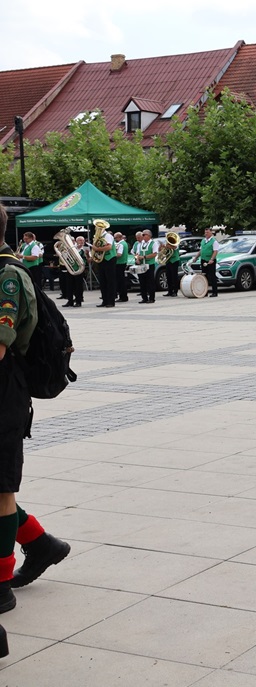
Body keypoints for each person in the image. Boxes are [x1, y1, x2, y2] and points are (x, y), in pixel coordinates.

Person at [0, 206, 72, 611]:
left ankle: (0, 585)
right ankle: (40, 544)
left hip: (4, 392)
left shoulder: (6, 277)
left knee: (1, 490)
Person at [92, 223, 116, 307]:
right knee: (102, 281)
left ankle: (111, 301)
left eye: (98, 228)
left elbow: (109, 247)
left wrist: (97, 249)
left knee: (110, 281)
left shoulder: (108, 236)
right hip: (101, 260)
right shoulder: (98, 237)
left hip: (109, 259)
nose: (96, 229)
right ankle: (105, 300)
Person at [131, 230, 158, 304]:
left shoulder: (153, 243)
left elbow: (154, 254)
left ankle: (152, 298)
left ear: (149, 235)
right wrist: (137, 259)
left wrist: (144, 257)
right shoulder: (140, 244)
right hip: (141, 265)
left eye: (144, 235)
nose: (142, 236)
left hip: (149, 265)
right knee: (142, 281)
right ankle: (144, 298)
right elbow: (137, 253)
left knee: (150, 282)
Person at [62, 236, 87, 308]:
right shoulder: (71, 249)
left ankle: (78, 301)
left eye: (82, 241)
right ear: (76, 241)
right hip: (70, 269)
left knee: (78, 286)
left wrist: (87, 255)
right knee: (69, 286)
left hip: (79, 270)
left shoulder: (85, 249)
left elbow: (87, 260)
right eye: (79, 241)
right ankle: (70, 301)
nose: (81, 242)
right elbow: (65, 257)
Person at [199, 228, 219, 297]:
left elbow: (215, 251)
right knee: (204, 276)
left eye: (207, 232)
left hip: (210, 260)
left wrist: (212, 259)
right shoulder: (203, 241)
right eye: (205, 232)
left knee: (212, 276)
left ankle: (214, 292)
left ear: (211, 233)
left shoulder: (214, 241)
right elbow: (201, 250)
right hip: (203, 260)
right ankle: (205, 292)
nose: (206, 234)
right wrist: (195, 258)